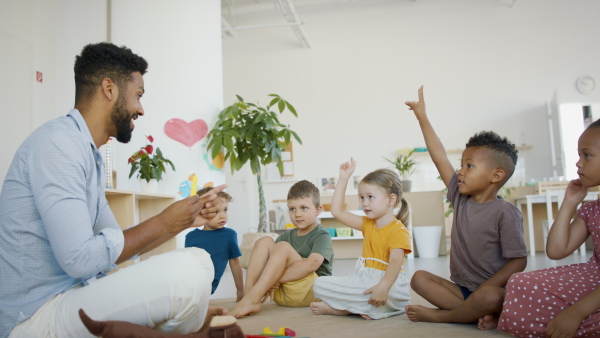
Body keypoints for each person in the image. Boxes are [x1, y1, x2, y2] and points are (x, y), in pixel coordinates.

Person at [0, 42, 227, 337]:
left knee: (197, 261)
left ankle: (182, 327)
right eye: (138, 95)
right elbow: (80, 259)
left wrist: (178, 222)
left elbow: (118, 249)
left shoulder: (87, 153)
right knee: (186, 275)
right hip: (34, 317)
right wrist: (163, 222)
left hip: (70, 298)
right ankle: (185, 328)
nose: (140, 108)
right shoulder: (59, 144)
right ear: (109, 88)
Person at [404, 86, 527, 329]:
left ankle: (444, 316)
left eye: (469, 166)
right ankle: (473, 314)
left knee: (489, 297)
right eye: (461, 164)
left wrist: (487, 287)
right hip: (461, 291)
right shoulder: (460, 197)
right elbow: (438, 155)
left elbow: (518, 262)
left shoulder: (506, 213)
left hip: (492, 291)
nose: (460, 170)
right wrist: (422, 116)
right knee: (419, 278)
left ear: (496, 175)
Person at [498, 119, 600, 337]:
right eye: (579, 155)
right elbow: (556, 250)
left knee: (533, 314)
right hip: (594, 278)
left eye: (587, 155)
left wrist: (577, 312)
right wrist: (570, 202)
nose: (578, 163)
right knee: (519, 282)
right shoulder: (592, 210)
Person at [310, 158, 412, 320]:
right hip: (363, 280)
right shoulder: (368, 224)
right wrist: (344, 177)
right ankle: (365, 307)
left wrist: (383, 287)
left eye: (370, 197)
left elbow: (395, 262)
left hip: (389, 283)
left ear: (391, 200)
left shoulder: (399, 231)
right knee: (318, 284)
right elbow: (337, 211)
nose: (365, 203)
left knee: (373, 294)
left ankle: (344, 309)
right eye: (362, 198)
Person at [230, 180, 334, 318]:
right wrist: (270, 280)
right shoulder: (286, 236)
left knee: (282, 247)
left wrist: (273, 280)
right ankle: (248, 296)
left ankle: (253, 297)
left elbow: (312, 264)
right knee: (264, 241)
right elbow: (271, 266)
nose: (297, 214)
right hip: (282, 291)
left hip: (312, 292)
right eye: (292, 209)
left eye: (304, 208)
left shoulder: (321, 235)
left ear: (318, 210)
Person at [185, 187, 244, 301]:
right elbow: (187, 266)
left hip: (206, 286)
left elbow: (235, 263)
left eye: (225, 210)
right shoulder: (191, 237)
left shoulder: (229, 235)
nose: (223, 216)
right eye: (216, 212)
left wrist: (240, 290)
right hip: (189, 284)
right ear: (201, 213)